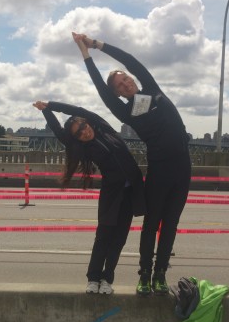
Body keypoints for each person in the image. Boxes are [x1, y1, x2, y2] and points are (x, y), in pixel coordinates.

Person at [72, 32, 191, 296]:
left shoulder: (152, 88)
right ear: (118, 93)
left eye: (125, 78)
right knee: (152, 224)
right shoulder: (124, 111)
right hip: (160, 170)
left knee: (170, 223)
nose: (125, 84)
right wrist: (85, 55)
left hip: (183, 169)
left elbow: (130, 59)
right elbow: (100, 88)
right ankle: (145, 274)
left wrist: (97, 44)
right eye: (119, 85)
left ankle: (160, 273)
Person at [33, 100, 145, 295]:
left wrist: (51, 104)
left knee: (119, 240)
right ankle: (93, 278)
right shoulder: (83, 147)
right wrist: (47, 112)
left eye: (83, 126)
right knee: (103, 237)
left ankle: (107, 279)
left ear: (88, 122)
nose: (84, 132)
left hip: (131, 192)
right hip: (111, 194)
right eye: (78, 133)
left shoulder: (104, 128)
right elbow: (60, 133)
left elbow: (78, 110)